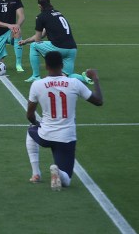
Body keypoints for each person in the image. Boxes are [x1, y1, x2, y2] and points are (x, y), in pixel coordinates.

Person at [25, 51, 103, 190]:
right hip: (66, 138)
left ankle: (36, 173)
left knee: (31, 128)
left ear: (46, 66)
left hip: (45, 136)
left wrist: (37, 124)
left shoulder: (37, 85)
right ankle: (58, 172)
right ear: (62, 65)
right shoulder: (74, 83)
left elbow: (30, 115)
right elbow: (98, 102)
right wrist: (95, 79)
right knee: (66, 179)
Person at [19, 0, 92, 84]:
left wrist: (26, 42)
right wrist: (25, 41)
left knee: (34, 46)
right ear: (50, 3)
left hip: (59, 48)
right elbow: (44, 34)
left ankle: (36, 76)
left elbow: (38, 39)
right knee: (66, 76)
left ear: (39, 6)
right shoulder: (58, 13)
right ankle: (85, 78)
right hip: (72, 49)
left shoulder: (41, 17)